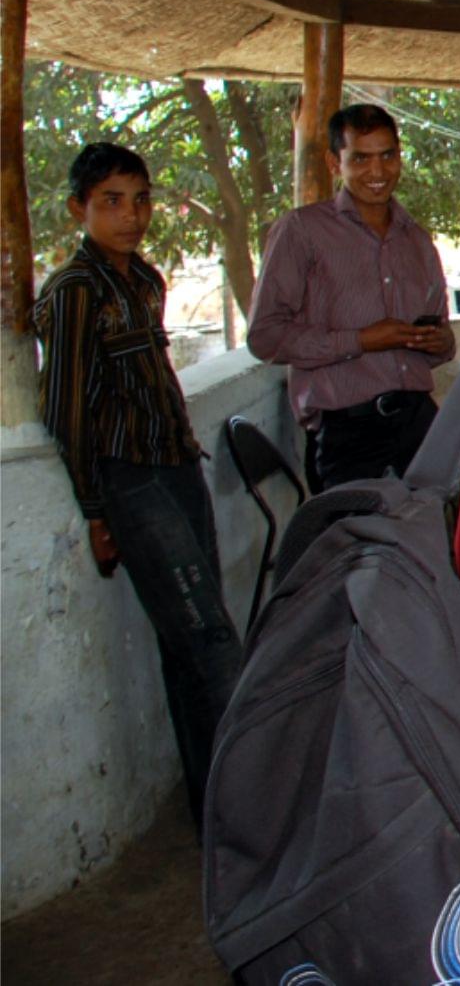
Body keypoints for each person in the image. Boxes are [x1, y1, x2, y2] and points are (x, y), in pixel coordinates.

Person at [33, 143, 243, 829]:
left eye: (141, 199)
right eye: (112, 202)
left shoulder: (143, 280)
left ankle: (212, 807)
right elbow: (65, 409)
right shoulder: (73, 291)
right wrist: (96, 509)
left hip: (176, 466)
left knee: (188, 644)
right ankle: (247, 810)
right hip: (129, 481)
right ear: (78, 210)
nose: (132, 216)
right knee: (211, 640)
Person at [247, 103, 454, 490]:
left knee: (434, 541)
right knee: (354, 547)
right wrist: (360, 341)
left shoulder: (417, 238)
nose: (377, 172)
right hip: (347, 431)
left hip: (418, 423)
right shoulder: (302, 231)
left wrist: (440, 341)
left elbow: (440, 338)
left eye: (387, 155)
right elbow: (265, 337)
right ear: (333, 162)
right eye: (360, 158)